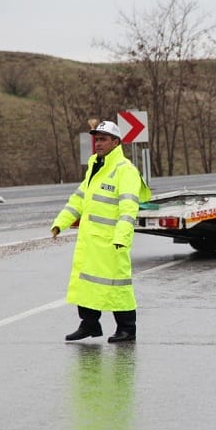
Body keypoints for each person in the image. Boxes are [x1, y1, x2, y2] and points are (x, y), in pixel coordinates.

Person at [51, 120, 151, 343]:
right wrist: (60, 223)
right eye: (97, 139)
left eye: (103, 139)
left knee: (118, 287)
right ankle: (89, 324)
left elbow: (128, 207)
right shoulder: (95, 167)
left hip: (112, 242)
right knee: (87, 282)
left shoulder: (125, 170)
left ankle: (127, 329)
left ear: (116, 143)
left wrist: (121, 237)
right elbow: (78, 199)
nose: (98, 143)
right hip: (90, 240)